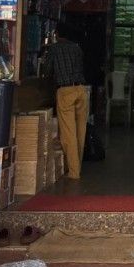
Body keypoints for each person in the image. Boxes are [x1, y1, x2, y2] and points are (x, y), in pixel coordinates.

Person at [42, 23, 88, 180]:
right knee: (80, 130)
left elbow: (47, 71)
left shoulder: (54, 49)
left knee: (68, 132)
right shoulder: (77, 48)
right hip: (81, 89)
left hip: (65, 91)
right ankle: (77, 165)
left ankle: (74, 172)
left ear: (56, 34)